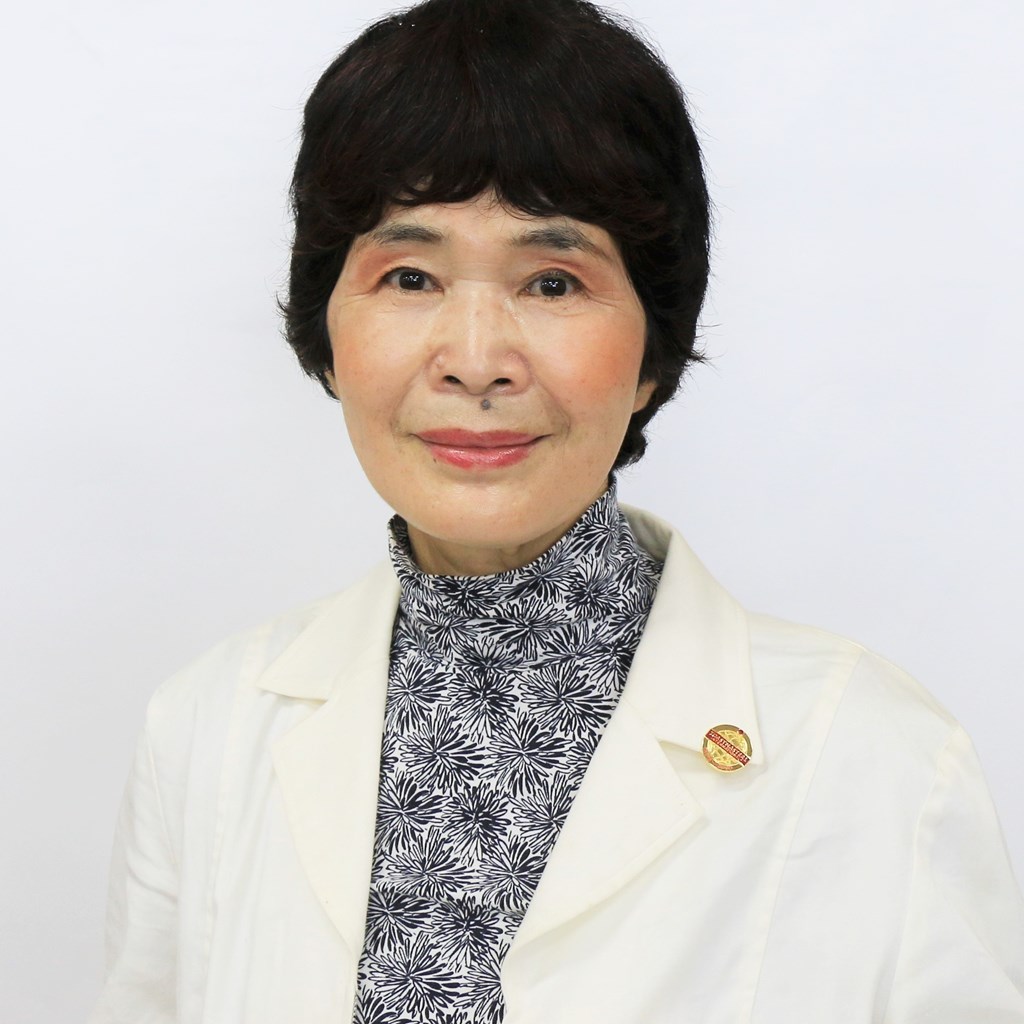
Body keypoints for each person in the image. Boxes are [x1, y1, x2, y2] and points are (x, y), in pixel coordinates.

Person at [90, 0, 1024, 1021]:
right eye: (409, 276)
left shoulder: (879, 759)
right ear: (328, 332)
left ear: (652, 351)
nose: (476, 360)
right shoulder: (206, 730)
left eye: (551, 282)